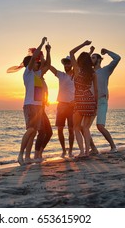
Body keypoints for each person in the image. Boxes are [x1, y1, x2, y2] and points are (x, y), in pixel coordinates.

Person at [17, 37, 50, 165]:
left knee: (34, 131)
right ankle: (20, 155)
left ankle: (27, 157)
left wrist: (47, 52)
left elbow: (47, 65)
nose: (37, 63)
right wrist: (41, 44)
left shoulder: (38, 74)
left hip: (38, 107)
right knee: (31, 129)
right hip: (30, 105)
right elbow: (34, 58)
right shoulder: (28, 73)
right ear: (30, 64)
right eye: (35, 62)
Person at [89, 48, 121, 153]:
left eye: (93, 57)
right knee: (83, 127)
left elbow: (117, 58)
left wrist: (107, 51)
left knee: (100, 127)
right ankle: (93, 149)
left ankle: (113, 147)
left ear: (99, 60)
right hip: (92, 102)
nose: (91, 59)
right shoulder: (90, 72)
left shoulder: (106, 70)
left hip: (102, 101)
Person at [70, 40, 98, 158]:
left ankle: (82, 152)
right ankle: (87, 152)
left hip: (80, 100)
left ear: (80, 61)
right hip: (90, 100)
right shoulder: (93, 73)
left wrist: (83, 44)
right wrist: (95, 105)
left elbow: (71, 53)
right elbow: (96, 90)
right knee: (86, 127)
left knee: (76, 127)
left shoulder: (77, 70)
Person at [49, 56, 75, 157]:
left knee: (71, 130)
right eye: (65, 64)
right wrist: (47, 53)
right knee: (60, 129)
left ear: (72, 64)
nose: (66, 65)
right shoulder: (61, 75)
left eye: (68, 63)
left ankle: (71, 151)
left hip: (72, 106)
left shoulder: (76, 76)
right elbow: (50, 67)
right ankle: (64, 150)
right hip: (61, 105)